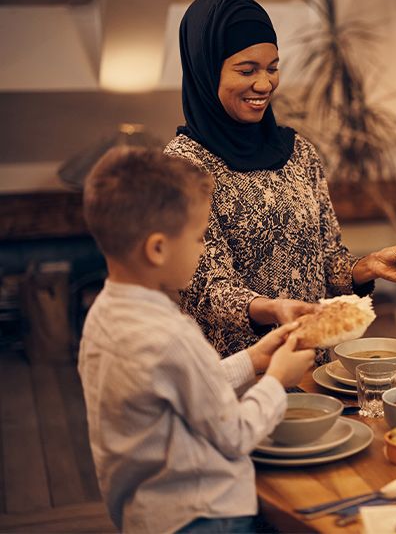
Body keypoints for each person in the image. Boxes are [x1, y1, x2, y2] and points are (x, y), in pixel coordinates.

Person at [165, 0, 396, 359]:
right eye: (247, 70)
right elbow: (207, 289)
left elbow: (327, 262)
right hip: (233, 379)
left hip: (307, 364)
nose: (264, 84)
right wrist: (274, 309)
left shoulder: (298, 152)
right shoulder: (183, 166)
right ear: (205, 70)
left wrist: (366, 268)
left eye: (272, 68)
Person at [79, 147, 316, 532]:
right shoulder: (172, 334)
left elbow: (183, 388)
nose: (203, 249)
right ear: (157, 248)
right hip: (207, 515)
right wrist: (277, 380)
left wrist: (255, 358)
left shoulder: (103, 316)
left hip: (147, 515)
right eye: (199, 237)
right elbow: (235, 434)